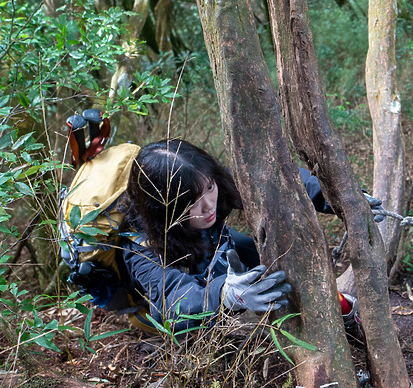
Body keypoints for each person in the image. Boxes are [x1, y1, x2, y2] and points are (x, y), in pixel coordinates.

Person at [119, 139, 361, 332]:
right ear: (163, 209)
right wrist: (225, 295)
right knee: (206, 312)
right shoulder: (139, 248)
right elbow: (172, 300)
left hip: (214, 247)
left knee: (267, 262)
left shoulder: (205, 180)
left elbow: (273, 181)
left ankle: (338, 309)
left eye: (209, 189)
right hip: (183, 308)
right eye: (191, 203)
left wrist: (344, 199)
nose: (208, 206)